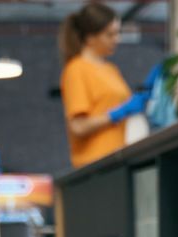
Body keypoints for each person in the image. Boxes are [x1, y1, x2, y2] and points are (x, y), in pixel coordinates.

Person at [59, 3, 160, 168]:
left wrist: (142, 97)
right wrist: (115, 114)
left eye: (117, 33)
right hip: (94, 165)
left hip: (121, 159)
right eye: (109, 35)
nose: (116, 39)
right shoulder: (76, 70)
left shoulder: (111, 70)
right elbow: (78, 126)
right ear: (90, 37)